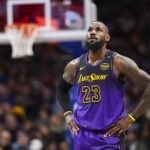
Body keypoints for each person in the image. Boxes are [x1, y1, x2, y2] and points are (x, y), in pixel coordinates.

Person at [56, 21, 150, 150]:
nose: (92, 32)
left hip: (109, 136)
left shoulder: (119, 63)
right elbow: (61, 88)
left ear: (107, 37)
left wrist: (130, 118)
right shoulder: (74, 65)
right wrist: (67, 114)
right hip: (81, 135)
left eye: (98, 30)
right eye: (90, 30)